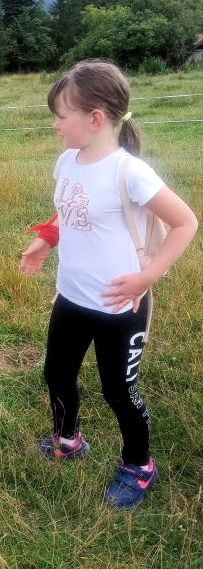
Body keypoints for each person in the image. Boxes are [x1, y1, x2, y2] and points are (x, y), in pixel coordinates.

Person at [20, 60, 198, 509]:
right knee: (56, 375)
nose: (56, 125)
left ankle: (139, 464)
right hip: (72, 298)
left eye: (62, 116)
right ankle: (68, 439)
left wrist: (148, 276)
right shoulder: (67, 161)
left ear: (95, 118)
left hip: (121, 307)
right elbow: (70, 210)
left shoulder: (130, 172)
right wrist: (46, 241)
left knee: (119, 391)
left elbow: (185, 223)